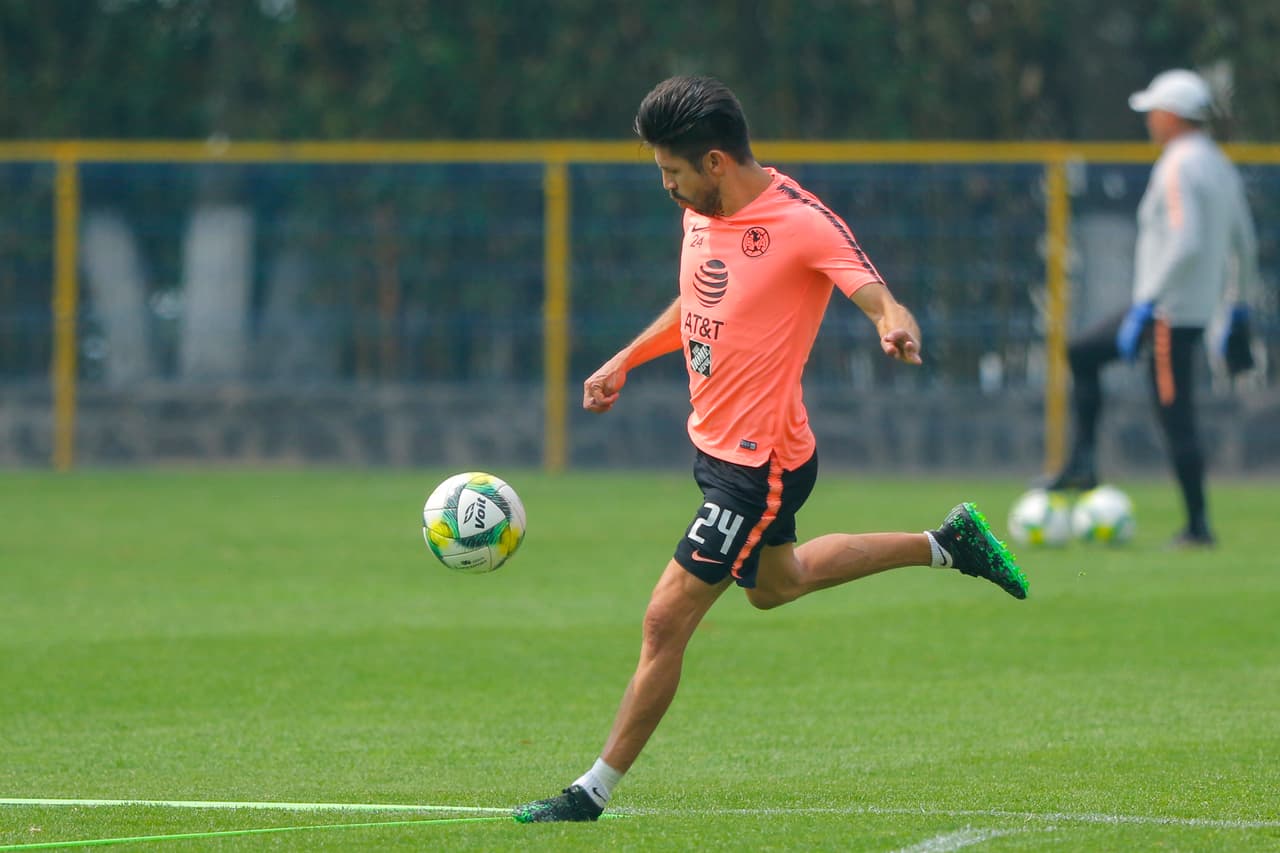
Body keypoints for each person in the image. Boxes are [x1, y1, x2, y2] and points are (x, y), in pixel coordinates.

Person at [512, 75, 1028, 824]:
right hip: (719, 450)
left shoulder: (801, 222)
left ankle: (589, 792)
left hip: (758, 468)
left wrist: (894, 326)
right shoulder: (701, 210)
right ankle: (945, 544)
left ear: (716, 162)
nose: (667, 186)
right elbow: (700, 301)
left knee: (665, 619)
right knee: (776, 584)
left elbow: (879, 296)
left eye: (672, 171)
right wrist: (627, 357)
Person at [1043, 69, 1261, 548]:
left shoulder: (1178, 164)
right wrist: (1238, 307)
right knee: (1085, 353)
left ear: (1172, 116)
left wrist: (1146, 305)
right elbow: (1244, 243)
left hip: (1167, 313)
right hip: (1189, 309)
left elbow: (1186, 241)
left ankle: (1197, 526)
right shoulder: (1219, 163)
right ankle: (1083, 464)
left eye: (1153, 112)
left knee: (1174, 412)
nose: (1149, 121)